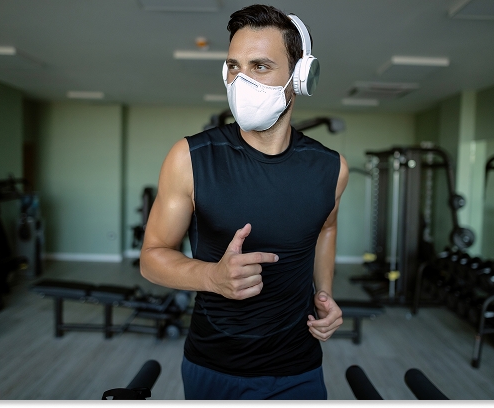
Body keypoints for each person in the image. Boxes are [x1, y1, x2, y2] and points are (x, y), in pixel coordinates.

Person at [140, 4, 348, 400]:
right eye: (234, 66)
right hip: (214, 366)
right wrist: (211, 278)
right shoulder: (189, 158)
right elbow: (152, 257)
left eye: (260, 66)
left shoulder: (332, 168)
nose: (241, 80)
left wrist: (325, 294)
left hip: (298, 366)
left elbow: (326, 228)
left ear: (299, 77)